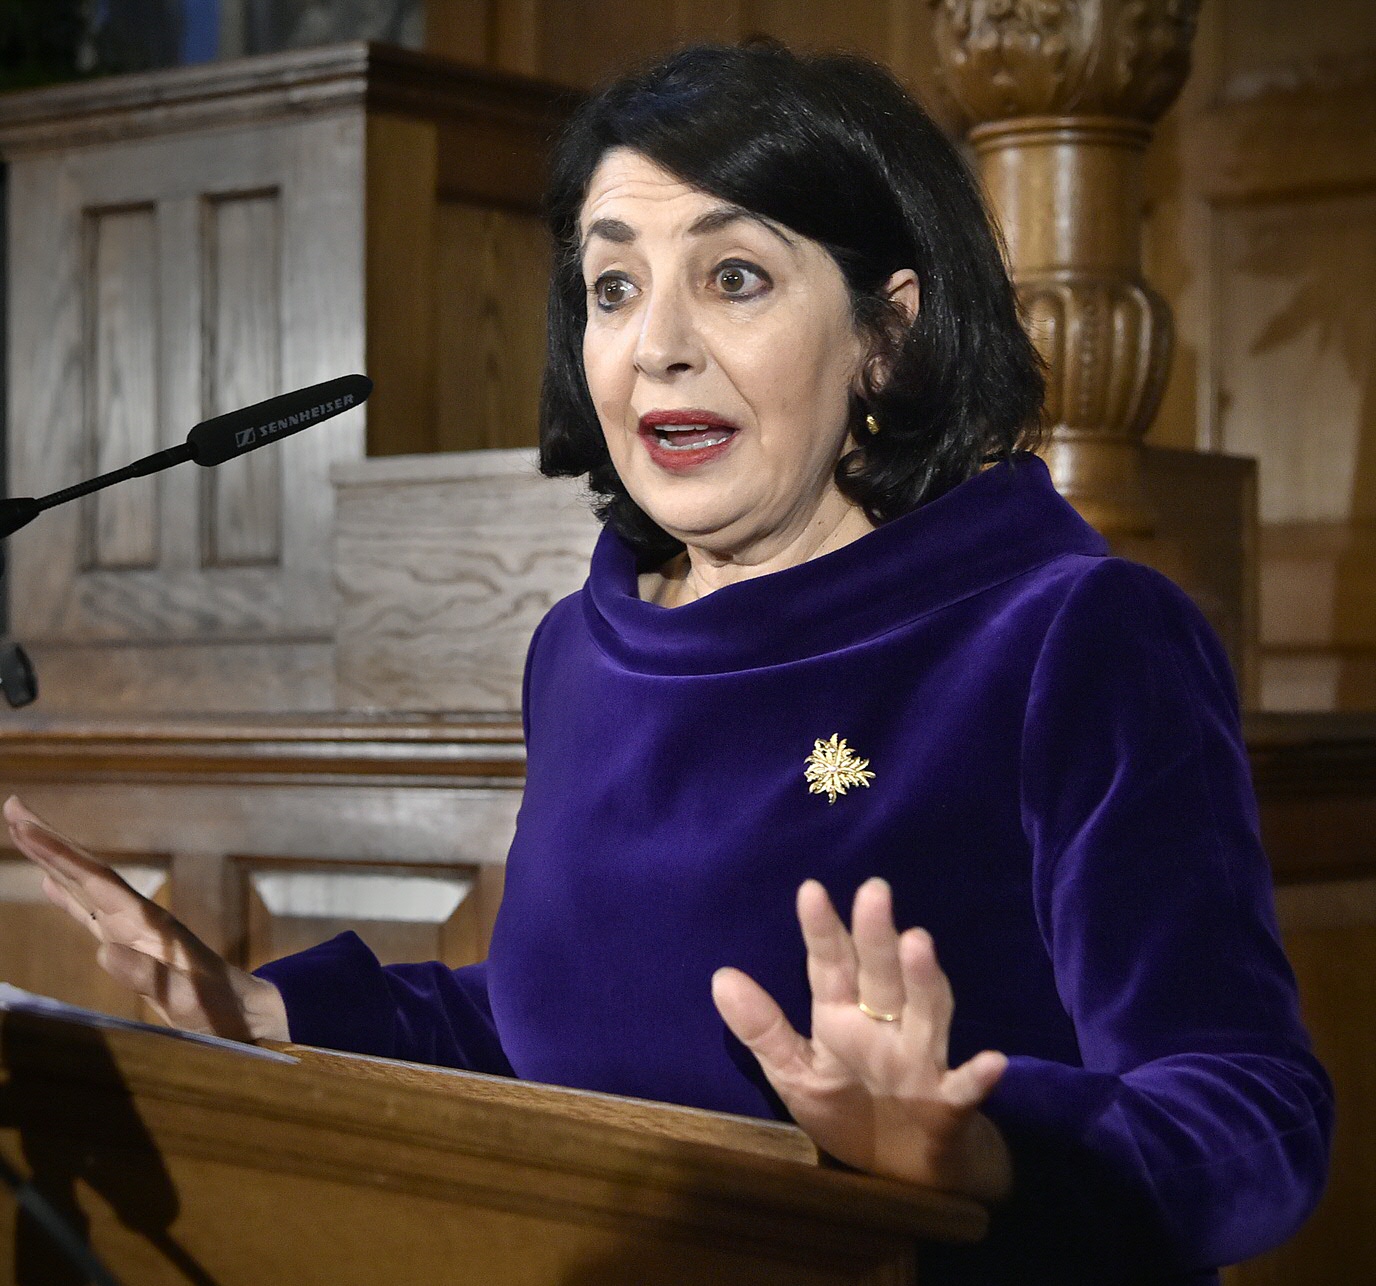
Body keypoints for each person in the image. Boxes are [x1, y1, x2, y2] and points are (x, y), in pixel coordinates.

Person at [5, 40, 1331, 1284]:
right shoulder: (582, 648)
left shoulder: (1069, 638)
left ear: (888, 332)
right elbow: (573, 1025)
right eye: (614, 286)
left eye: (733, 276)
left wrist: (976, 1146)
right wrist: (259, 1007)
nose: (657, 344)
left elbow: (1253, 1121)